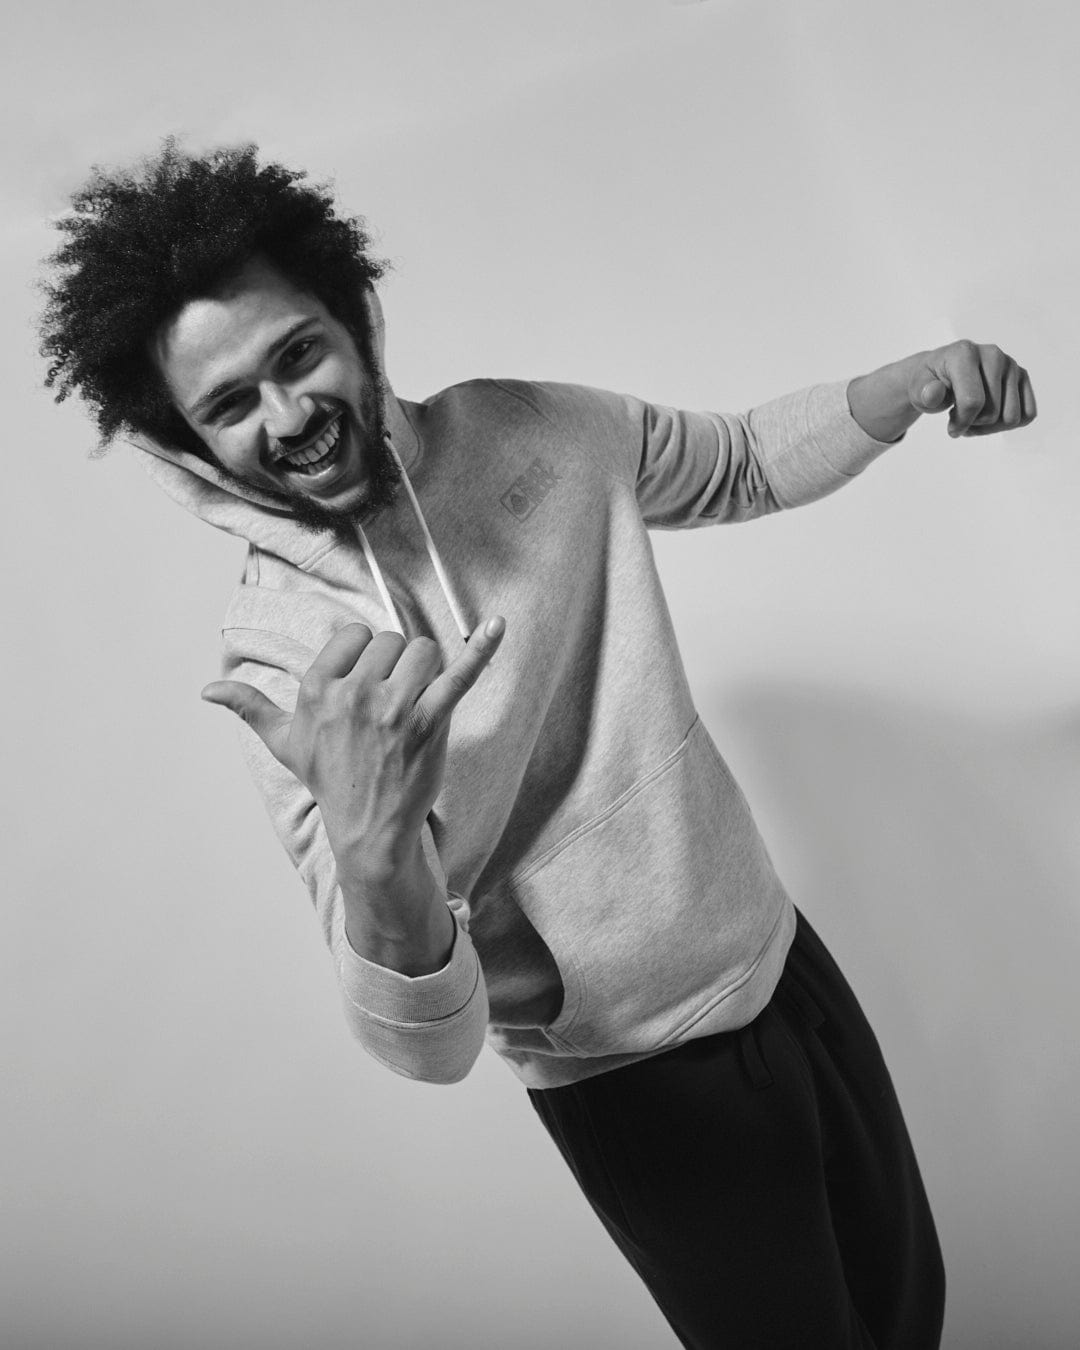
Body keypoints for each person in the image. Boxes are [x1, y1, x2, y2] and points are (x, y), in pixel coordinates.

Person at [39, 140, 1037, 1349]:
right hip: (633, 1077)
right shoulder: (285, 670)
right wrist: (375, 855)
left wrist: (913, 383)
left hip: (781, 955)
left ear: (355, 323)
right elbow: (429, 1049)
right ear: (190, 446)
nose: (289, 415)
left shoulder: (532, 431)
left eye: (296, 356)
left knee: (905, 1314)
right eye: (230, 406)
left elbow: (732, 463)